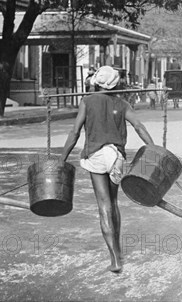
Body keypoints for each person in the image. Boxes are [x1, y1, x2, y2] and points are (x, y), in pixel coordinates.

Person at [60, 66, 154, 273]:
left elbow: (75, 132)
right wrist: (154, 150)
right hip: (116, 157)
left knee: (103, 206)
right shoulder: (122, 103)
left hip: (96, 156)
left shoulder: (87, 101)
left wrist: (61, 160)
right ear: (115, 84)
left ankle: (115, 259)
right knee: (113, 203)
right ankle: (119, 251)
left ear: (97, 82)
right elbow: (139, 127)